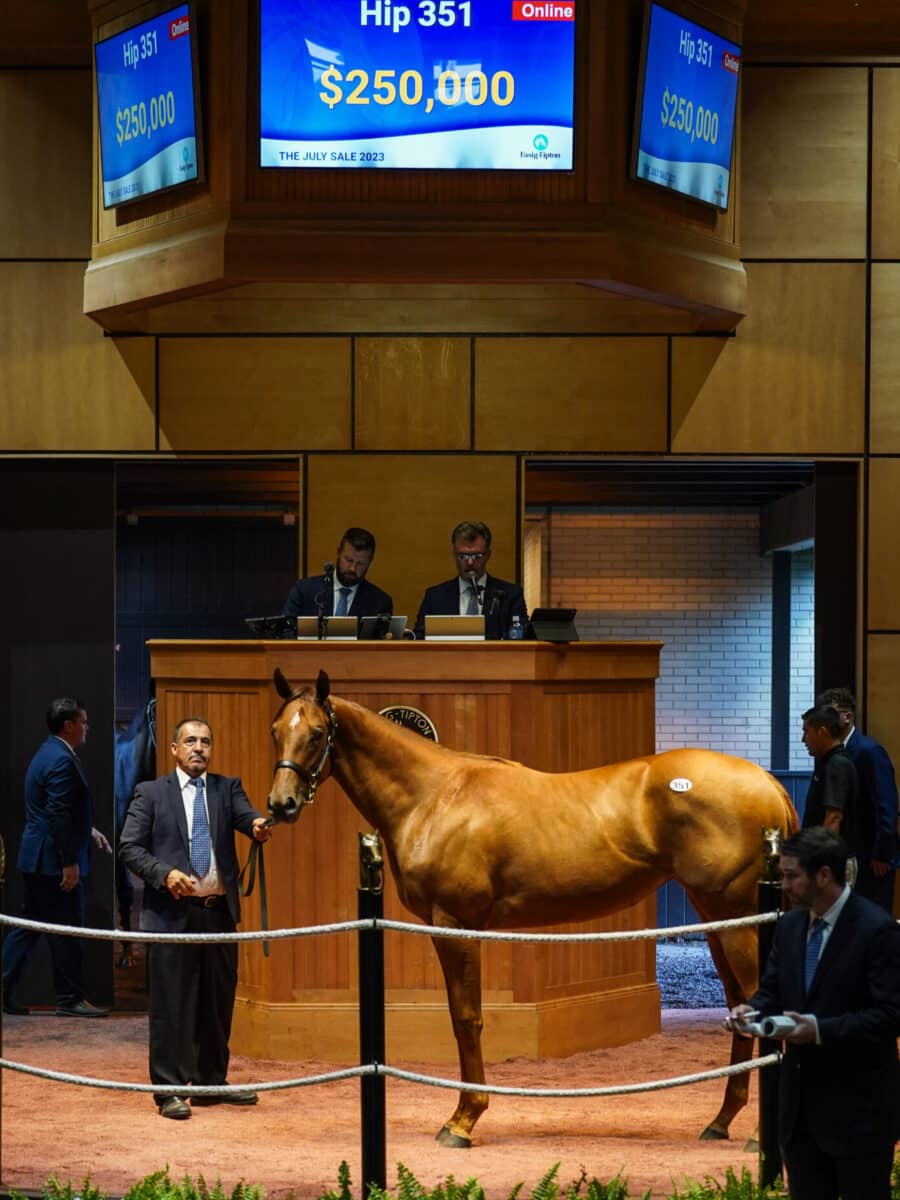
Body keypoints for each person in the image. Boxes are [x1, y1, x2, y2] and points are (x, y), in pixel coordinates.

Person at [725, 827, 900, 1200]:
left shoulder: (876, 930)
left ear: (823, 876)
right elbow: (771, 993)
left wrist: (820, 1030)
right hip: (800, 1118)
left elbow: (890, 1016)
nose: (783, 884)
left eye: (791, 875)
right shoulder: (788, 928)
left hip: (860, 1117)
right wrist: (749, 1011)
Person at [119, 717, 272, 1120]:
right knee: (172, 1006)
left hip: (217, 915)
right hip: (171, 916)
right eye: (190, 741)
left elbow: (247, 816)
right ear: (174, 749)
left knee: (216, 1003)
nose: (198, 748)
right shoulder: (150, 793)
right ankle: (169, 1090)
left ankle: (210, 1083)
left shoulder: (226, 788)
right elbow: (129, 848)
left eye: (205, 741)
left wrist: (257, 824)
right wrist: (164, 874)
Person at [2, 697, 111, 1018]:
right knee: (67, 932)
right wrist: (69, 862)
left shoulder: (47, 753)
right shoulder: (62, 760)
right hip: (53, 863)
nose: (87, 728)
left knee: (27, 928)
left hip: (37, 859)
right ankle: (69, 998)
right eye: (84, 722)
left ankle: (4, 988)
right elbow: (59, 814)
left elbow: (57, 807)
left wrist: (88, 829)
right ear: (69, 725)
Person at [816, 686, 898, 913]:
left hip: (871, 859)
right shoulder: (833, 753)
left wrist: (882, 854)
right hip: (848, 856)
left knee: (873, 927)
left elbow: (886, 805)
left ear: (847, 716)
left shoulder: (869, 751)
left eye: (831, 714)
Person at [413, 520, 528, 640]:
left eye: (477, 556)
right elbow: (419, 639)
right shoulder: (435, 596)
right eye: (463, 556)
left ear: (488, 555)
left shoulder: (510, 595)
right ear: (454, 555)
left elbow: (523, 638)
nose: (470, 562)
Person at [800, 705, 862, 879]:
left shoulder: (837, 765)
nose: (803, 739)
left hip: (831, 863)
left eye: (807, 731)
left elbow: (833, 817)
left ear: (822, 732)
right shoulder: (829, 763)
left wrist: (823, 862)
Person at [282, 527, 392, 619]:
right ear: (338, 553)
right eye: (348, 560)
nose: (353, 569)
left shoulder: (380, 602)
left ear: (370, 562)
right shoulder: (304, 591)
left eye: (361, 564)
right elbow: (285, 634)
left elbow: (380, 643)